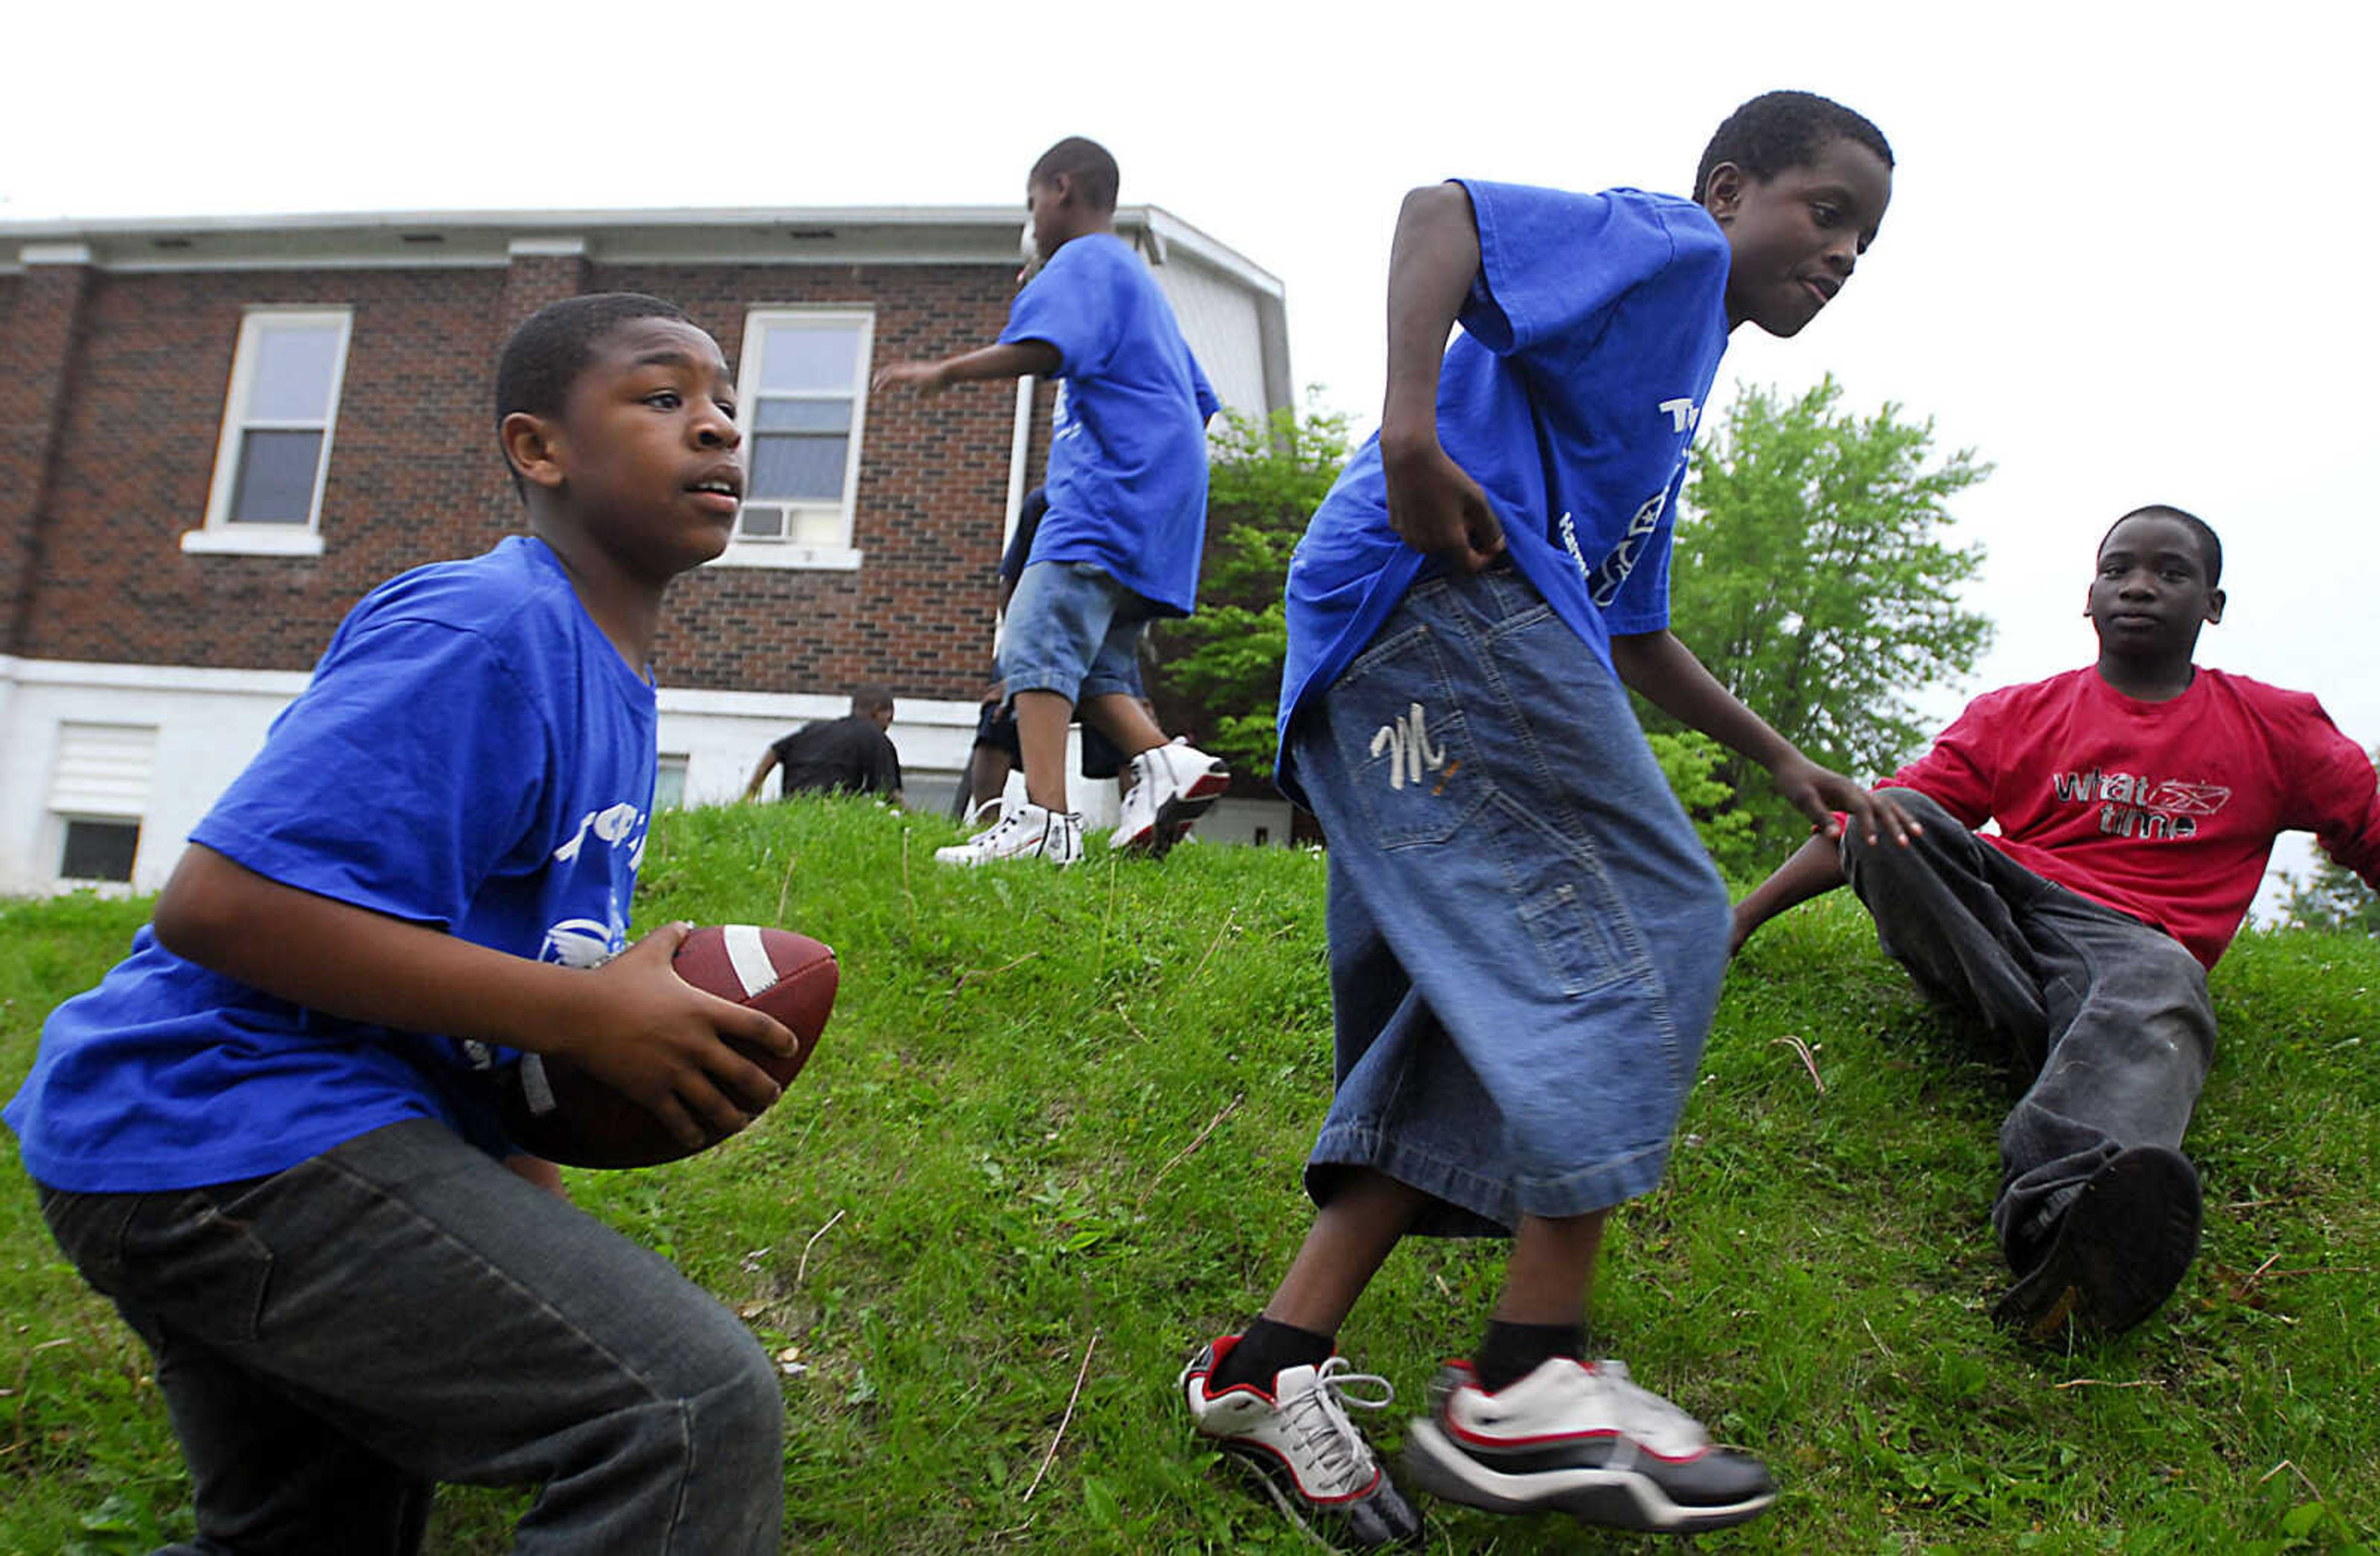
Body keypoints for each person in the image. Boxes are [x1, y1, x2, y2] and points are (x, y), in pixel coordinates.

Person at [1179, 91, 1907, 1545]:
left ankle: (1270, 1359)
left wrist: (1781, 762)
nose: (1837, 256)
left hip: (1427, 637)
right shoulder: (1664, 251)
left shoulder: (1666, 402)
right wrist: (1404, 435)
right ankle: (1528, 1378)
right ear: (1727, 189)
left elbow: (1633, 633)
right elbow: (1436, 213)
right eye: (1821, 213)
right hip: (1433, 597)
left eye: (1863, 244)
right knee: (1654, 918)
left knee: (1480, 1005)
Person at [3, 293, 800, 1552]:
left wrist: (534, 1213)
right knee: (685, 1407)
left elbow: (496, 1006)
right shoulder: (486, 627)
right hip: (228, 1121)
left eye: (726, 405)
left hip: (242, 1138)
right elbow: (224, 905)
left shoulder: (611, 677)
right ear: (539, 449)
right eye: (663, 398)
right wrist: (593, 1011)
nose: (716, 428)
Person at [1730, 505, 2380, 1343]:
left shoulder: (2278, 727)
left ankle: (2064, 1221)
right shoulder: (2018, 713)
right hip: (2005, 923)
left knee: (2154, 983)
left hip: (2140, 942)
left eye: (2171, 572)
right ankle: (2085, 1039)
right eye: (2119, 569)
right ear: (2090, 595)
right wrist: (1738, 919)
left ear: (2213, 605)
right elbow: (1867, 822)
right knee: (1894, 812)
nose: (2140, 585)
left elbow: (2369, 825)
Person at [874, 135, 1229, 867]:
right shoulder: (1136, 287)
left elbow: (1044, 347)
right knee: (1092, 663)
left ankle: (1043, 823)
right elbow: (1201, 400)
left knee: (1033, 638)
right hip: (1160, 504)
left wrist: (946, 370)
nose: (1033, 215)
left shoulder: (1085, 260)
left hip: (1107, 491)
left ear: (1061, 188)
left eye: (1034, 198)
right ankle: (1167, 765)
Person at [743, 683, 904, 805]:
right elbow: (889, 792)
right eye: (889, 718)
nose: (888, 726)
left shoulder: (815, 730)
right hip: (834, 810)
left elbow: (775, 751)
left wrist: (751, 793)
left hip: (793, 805)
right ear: (876, 711)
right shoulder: (875, 736)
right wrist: (917, 820)